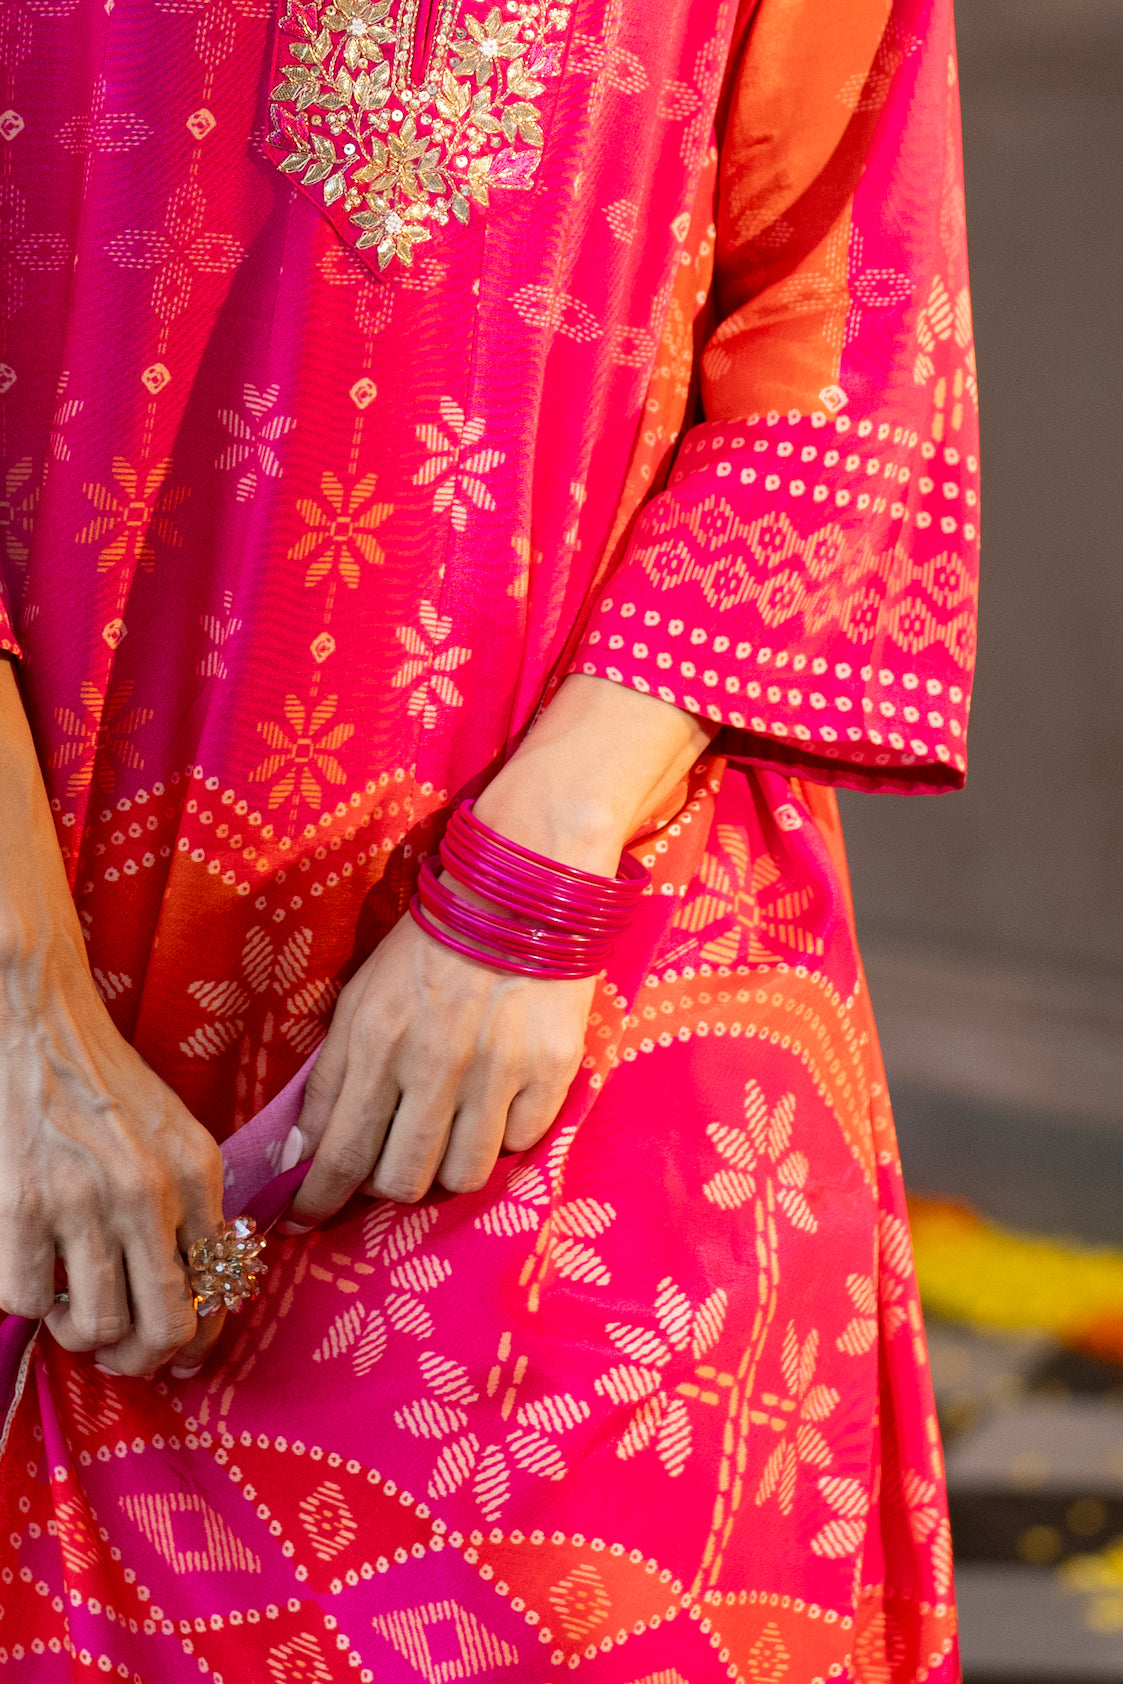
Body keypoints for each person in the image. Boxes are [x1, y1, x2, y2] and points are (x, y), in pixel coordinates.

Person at [0, 0, 978, 1674]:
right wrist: (24, 1015)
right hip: (56, 938)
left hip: (590, 934)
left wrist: (525, 896)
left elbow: (845, 328)